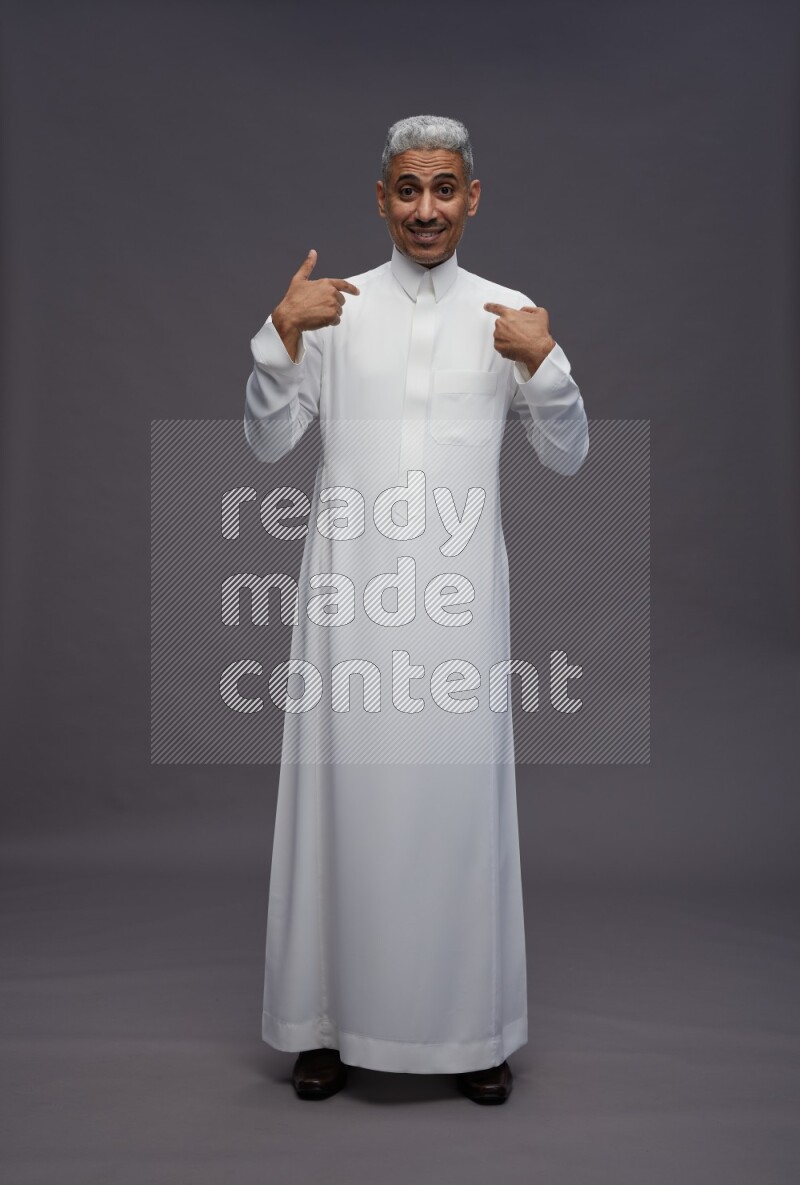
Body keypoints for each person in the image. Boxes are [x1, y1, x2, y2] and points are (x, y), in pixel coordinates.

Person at [244, 115, 589, 1104]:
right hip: (349, 598)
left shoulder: (506, 313)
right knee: (341, 804)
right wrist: (280, 338)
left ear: (472, 197)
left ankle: (470, 1033)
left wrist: (546, 365)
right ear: (382, 199)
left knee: (455, 809)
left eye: (443, 189)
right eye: (408, 189)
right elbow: (268, 443)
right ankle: (322, 1025)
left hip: (458, 604)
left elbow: (567, 454)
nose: (425, 209)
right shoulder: (335, 309)